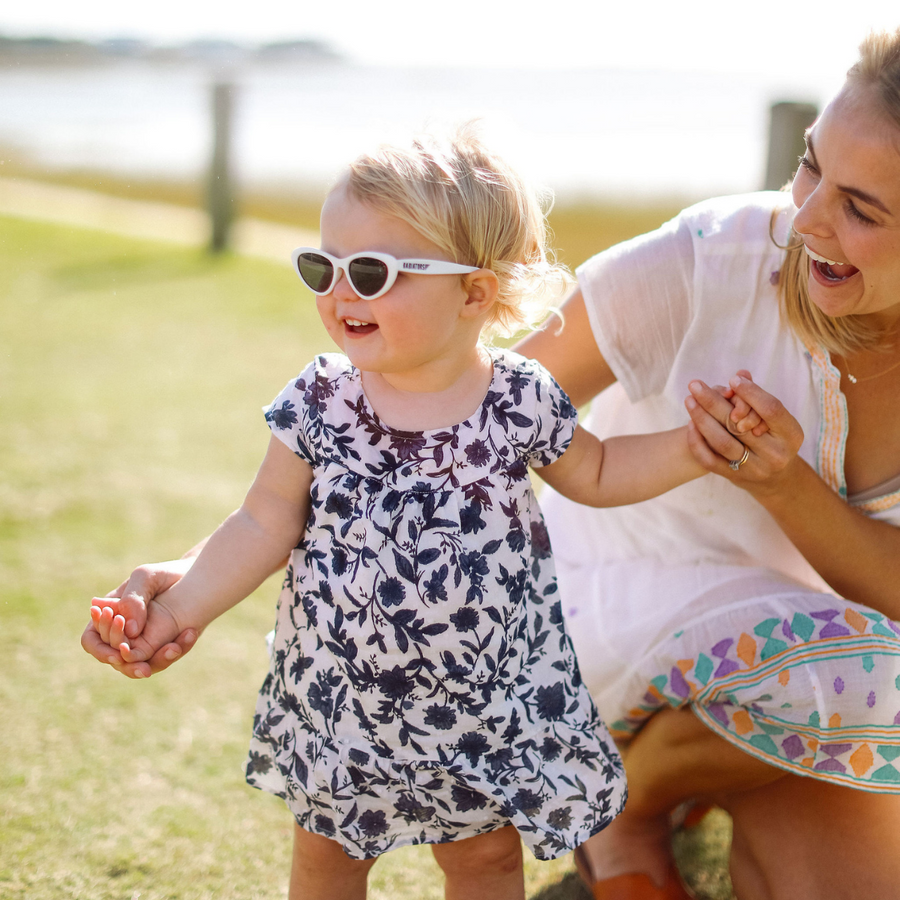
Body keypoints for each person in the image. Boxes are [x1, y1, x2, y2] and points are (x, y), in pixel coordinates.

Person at [82, 130, 750, 900]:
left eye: (372, 272)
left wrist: (696, 445)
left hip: (482, 698)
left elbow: (597, 471)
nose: (340, 293)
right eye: (323, 268)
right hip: (342, 694)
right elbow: (263, 522)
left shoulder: (517, 397)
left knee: (485, 863)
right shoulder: (322, 399)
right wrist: (179, 610)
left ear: (475, 292)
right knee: (329, 860)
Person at [512, 27, 900, 900]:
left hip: (815, 670)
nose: (804, 218)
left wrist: (783, 485)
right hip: (598, 604)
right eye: (811, 167)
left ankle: (678, 779)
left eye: (860, 209)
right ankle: (626, 799)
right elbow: (488, 411)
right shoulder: (713, 257)